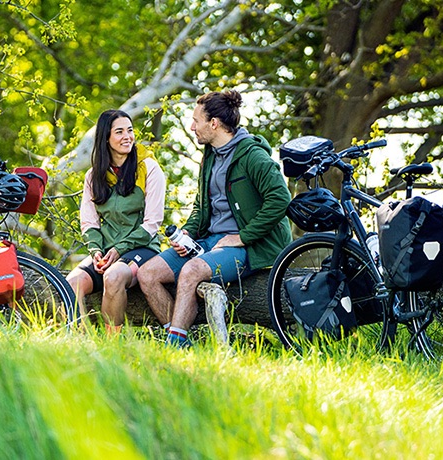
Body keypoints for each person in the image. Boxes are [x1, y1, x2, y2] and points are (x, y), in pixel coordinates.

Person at [137, 90, 292, 347]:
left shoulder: (253, 156)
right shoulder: (209, 155)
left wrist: (241, 237)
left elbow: (280, 200)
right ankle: (179, 339)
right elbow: (201, 205)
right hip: (209, 242)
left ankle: (173, 347)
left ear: (214, 123)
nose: (192, 126)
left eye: (196, 120)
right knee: (147, 274)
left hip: (249, 247)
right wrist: (187, 233)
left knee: (191, 270)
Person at [66, 109, 166, 333]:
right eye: (119, 132)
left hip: (142, 248)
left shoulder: (149, 167)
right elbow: (89, 222)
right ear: (106, 138)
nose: (127, 137)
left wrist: (119, 250)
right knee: (70, 285)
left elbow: (152, 224)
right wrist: (95, 251)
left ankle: (111, 347)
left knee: (113, 276)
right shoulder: (93, 176)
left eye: (130, 130)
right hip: (107, 251)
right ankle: (80, 342)